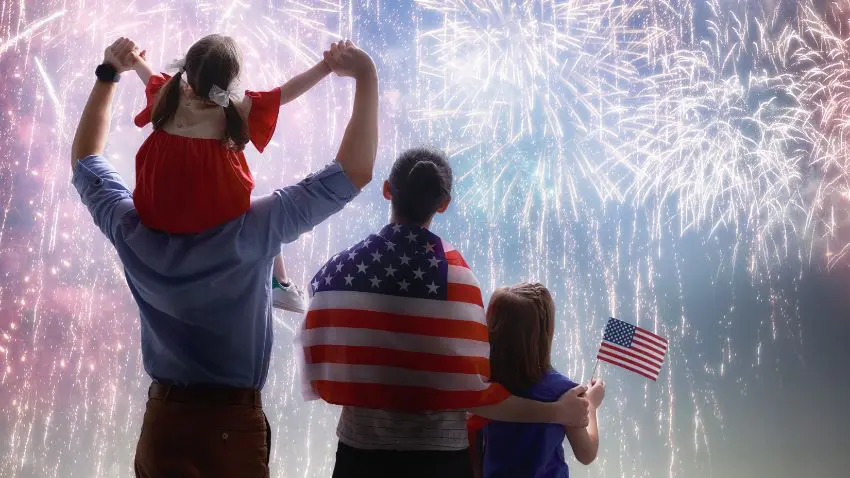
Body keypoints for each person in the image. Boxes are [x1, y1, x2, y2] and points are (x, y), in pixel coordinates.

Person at [70, 37, 378, 478]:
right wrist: (364, 76)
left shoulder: (130, 230)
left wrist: (108, 74)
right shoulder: (258, 228)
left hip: (164, 425)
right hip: (230, 429)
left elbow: (85, 161)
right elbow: (354, 171)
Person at [300, 148, 592, 478]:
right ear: (443, 204)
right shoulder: (458, 279)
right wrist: (556, 412)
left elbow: (321, 359)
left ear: (386, 190)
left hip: (359, 457)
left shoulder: (341, 272)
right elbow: (475, 395)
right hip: (438, 462)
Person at [129, 34, 333, 312]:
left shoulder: (170, 93)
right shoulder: (235, 108)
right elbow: (286, 92)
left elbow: (149, 75)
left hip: (156, 211)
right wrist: (326, 66)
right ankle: (279, 284)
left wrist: (136, 59)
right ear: (231, 80)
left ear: (187, 70)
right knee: (266, 217)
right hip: (213, 218)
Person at [468, 283, 605, 478]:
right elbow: (586, 453)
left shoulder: (484, 385)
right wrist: (590, 405)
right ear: (545, 334)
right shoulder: (566, 393)